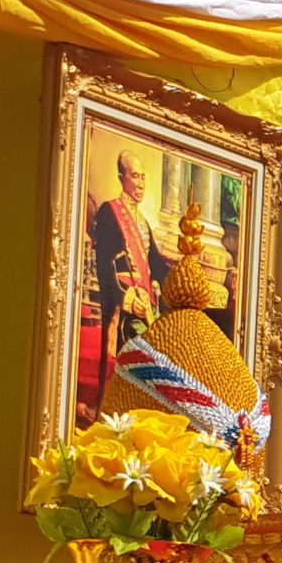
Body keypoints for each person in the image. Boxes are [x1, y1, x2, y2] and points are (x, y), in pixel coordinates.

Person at [89, 150, 170, 409]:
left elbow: (156, 266)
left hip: (146, 309)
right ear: (121, 178)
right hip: (124, 309)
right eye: (135, 176)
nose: (141, 184)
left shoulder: (143, 222)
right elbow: (104, 266)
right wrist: (125, 299)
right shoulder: (109, 212)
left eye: (144, 177)